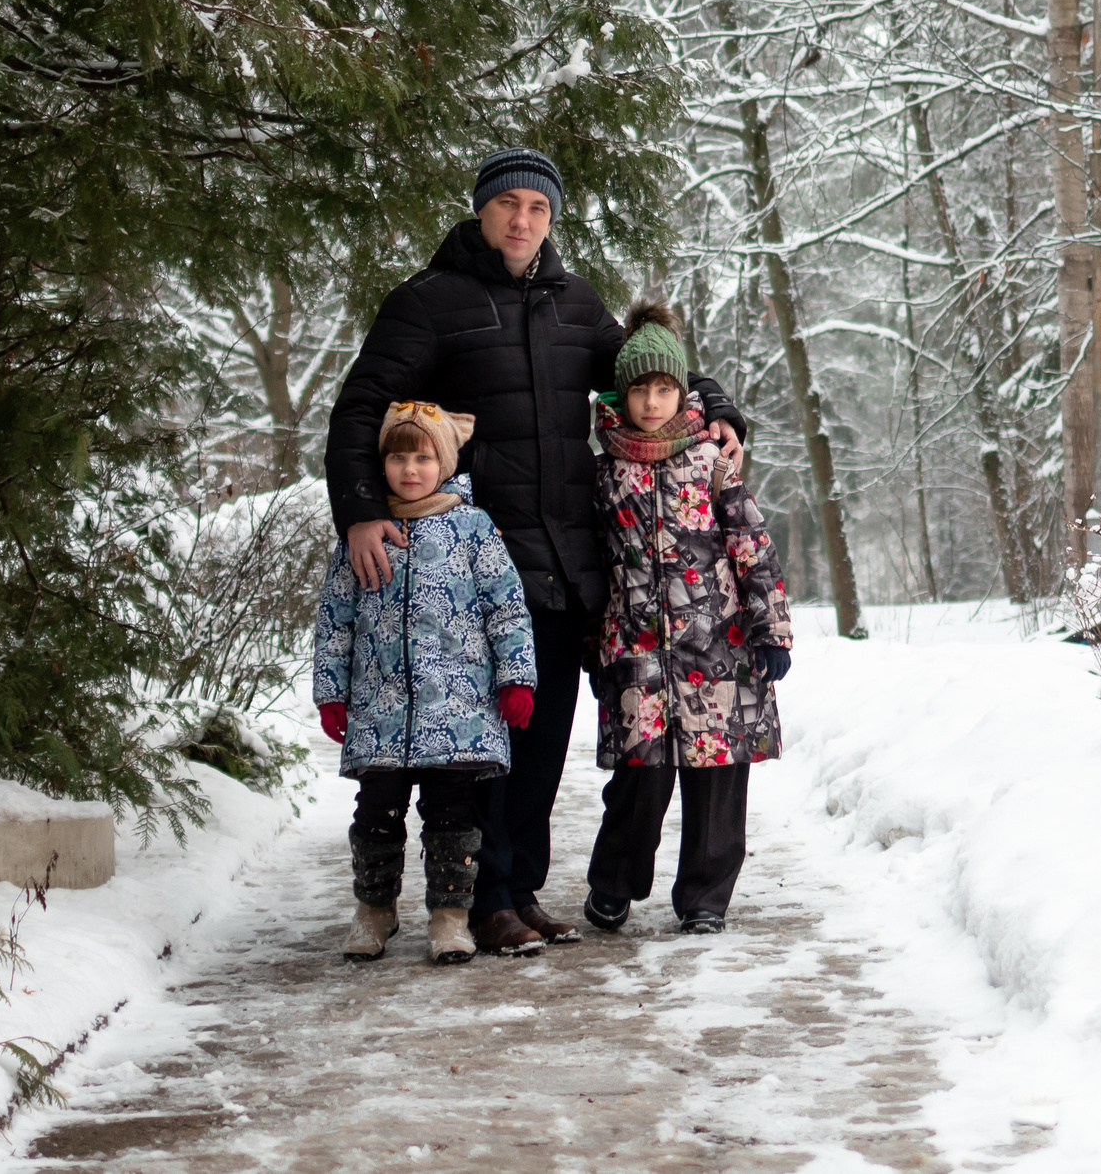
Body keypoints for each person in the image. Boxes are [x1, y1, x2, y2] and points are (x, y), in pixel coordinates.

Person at [323, 148, 748, 955]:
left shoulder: (573, 303)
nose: (523, 220)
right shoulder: (428, 302)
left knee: (543, 738)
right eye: (509, 203)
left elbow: (646, 368)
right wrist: (361, 512)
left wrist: (717, 406)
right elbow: (359, 408)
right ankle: (483, 899)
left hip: (561, 565)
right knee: (488, 747)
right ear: (482, 209)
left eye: (538, 208)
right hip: (469, 568)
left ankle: (516, 890)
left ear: (552, 219)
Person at [581, 303, 792, 936]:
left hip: (717, 650)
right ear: (622, 394)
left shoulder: (710, 464)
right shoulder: (604, 472)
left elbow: (753, 548)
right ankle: (614, 884)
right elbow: (594, 563)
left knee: (717, 778)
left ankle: (705, 897)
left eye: (664, 388)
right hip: (637, 652)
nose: (651, 401)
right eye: (640, 389)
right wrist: (595, 645)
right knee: (639, 779)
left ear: (683, 391)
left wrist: (771, 629)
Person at [312, 401, 538, 964]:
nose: (410, 470)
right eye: (398, 458)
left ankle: (450, 917)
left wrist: (517, 678)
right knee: (377, 811)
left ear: (445, 462)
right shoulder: (363, 532)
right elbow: (336, 615)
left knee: (452, 817)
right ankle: (374, 910)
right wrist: (331, 692)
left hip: (459, 711)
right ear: (381, 463)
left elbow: (506, 607)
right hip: (380, 706)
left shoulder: (473, 528)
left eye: (423, 457)